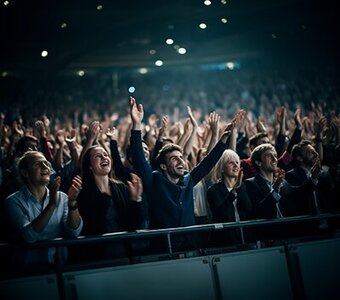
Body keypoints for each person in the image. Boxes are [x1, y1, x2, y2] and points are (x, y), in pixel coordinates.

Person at [129, 97, 235, 251]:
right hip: (164, 250)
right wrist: (137, 125)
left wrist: (224, 137)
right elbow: (139, 158)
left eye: (181, 158)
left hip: (191, 247)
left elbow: (207, 164)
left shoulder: (188, 179)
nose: (181, 161)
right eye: (174, 159)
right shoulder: (154, 180)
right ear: (163, 166)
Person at [4, 151, 83, 270]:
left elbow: (74, 232)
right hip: (27, 272)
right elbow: (29, 236)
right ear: (25, 172)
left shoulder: (62, 197)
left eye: (46, 163)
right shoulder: (13, 201)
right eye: (37, 164)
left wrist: (72, 203)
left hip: (60, 267)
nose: (45, 167)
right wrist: (51, 205)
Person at [76, 145, 145, 260]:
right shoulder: (82, 192)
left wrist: (136, 200)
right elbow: (90, 226)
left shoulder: (122, 188)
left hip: (124, 253)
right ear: (89, 166)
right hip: (96, 256)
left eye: (106, 155)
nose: (104, 158)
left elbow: (134, 225)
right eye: (98, 156)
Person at [207, 149, 252, 246]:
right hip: (225, 240)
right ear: (222, 168)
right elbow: (221, 213)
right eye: (231, 163)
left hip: (245, 237)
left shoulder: (243, 186)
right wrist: (234, 190)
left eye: (237, 162)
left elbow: (249, 209)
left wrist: (239, 188)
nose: (236, 165)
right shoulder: (213, 190)